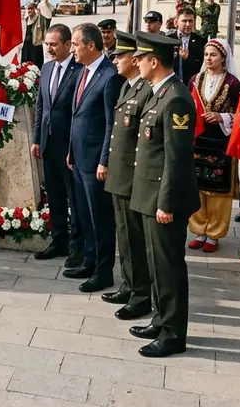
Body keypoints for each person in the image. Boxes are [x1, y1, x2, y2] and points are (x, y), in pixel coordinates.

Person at [125, 31, 198, 358]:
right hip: (149, 195)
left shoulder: (176, 98)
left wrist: (166, 203)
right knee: (156, 264)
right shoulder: (159, 92)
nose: (136, 61)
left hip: (163, 200)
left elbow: (177, 157)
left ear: (155, 61)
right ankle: (160, 319)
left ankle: (172, 334)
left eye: (140, 57)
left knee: (168, 268)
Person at [64, 23, 122, 293]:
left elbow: (111, 124)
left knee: (100, 217)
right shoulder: (83, 72)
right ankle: (88, 260)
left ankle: (103, 271)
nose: (72, 49)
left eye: (75, 45)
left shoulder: (109, 76)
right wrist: (71, 151)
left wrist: (104, 161)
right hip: (79, 156)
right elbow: (77, 116)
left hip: (96, 160)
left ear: (90, 45)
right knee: (84, 214)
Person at [102, 31, 152, 323]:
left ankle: (141, 295)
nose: (116, 60)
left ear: (136, 59)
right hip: (120, 176)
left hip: (134, 177)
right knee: (125, 235)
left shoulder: (146, 90)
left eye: (120, 56)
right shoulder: (127, 86)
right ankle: (130, 284)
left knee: (135, 239)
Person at [31, 24, 82, 265]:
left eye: (53, 44)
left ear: (67, 45)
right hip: (48, 144)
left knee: (75, 197)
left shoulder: (79, 70)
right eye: (46, 44)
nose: (49, 49)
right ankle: (58, 240)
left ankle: (77, 246)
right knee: (55, 196)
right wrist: (36, 139)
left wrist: (72, 148)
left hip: (70, 147)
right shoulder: (47, 68)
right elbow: (42, 106)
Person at [188, 38, 240, 253]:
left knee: (218, 189)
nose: (209, 59)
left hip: (221, 143)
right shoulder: (194, 79)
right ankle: (199, 229)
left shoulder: (232, 83)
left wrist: (222, 117)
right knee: (197, 186)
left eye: (213, 55)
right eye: (207, 54)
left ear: (223, 58)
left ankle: (215, 234)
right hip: (197, 142)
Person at [169, 8, 205, 81]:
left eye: (190, 21)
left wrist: (188, 58)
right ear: (177, 22)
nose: (188, 24)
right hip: (171, 83)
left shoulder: (201, 41)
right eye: (184, 21)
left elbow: (203, 67)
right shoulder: (168, 40)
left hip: (191, 84)